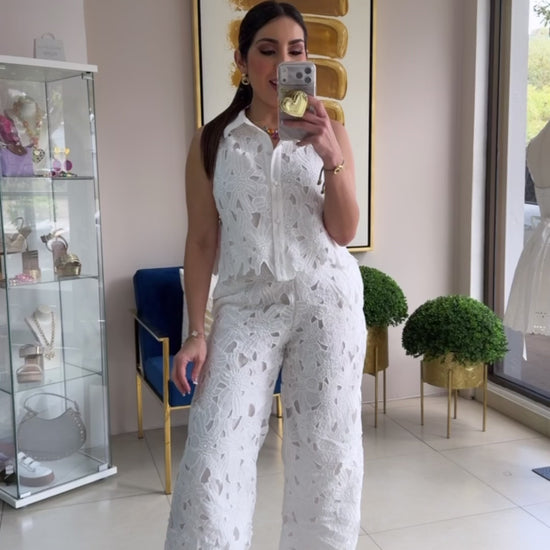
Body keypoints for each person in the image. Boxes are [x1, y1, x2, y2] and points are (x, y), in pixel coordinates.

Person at [165, 2, 366, 549]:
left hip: (327, 303)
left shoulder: (332, 131)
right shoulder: (213, 141)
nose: (282, 64)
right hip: (246, 307)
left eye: (295, 51)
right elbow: (201, 241)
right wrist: (197, 331)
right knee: (212, 455)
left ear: (308, 60)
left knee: (326, 457)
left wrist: (330, 155)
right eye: (267, 50)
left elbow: (344, 231)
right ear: (242, 61)